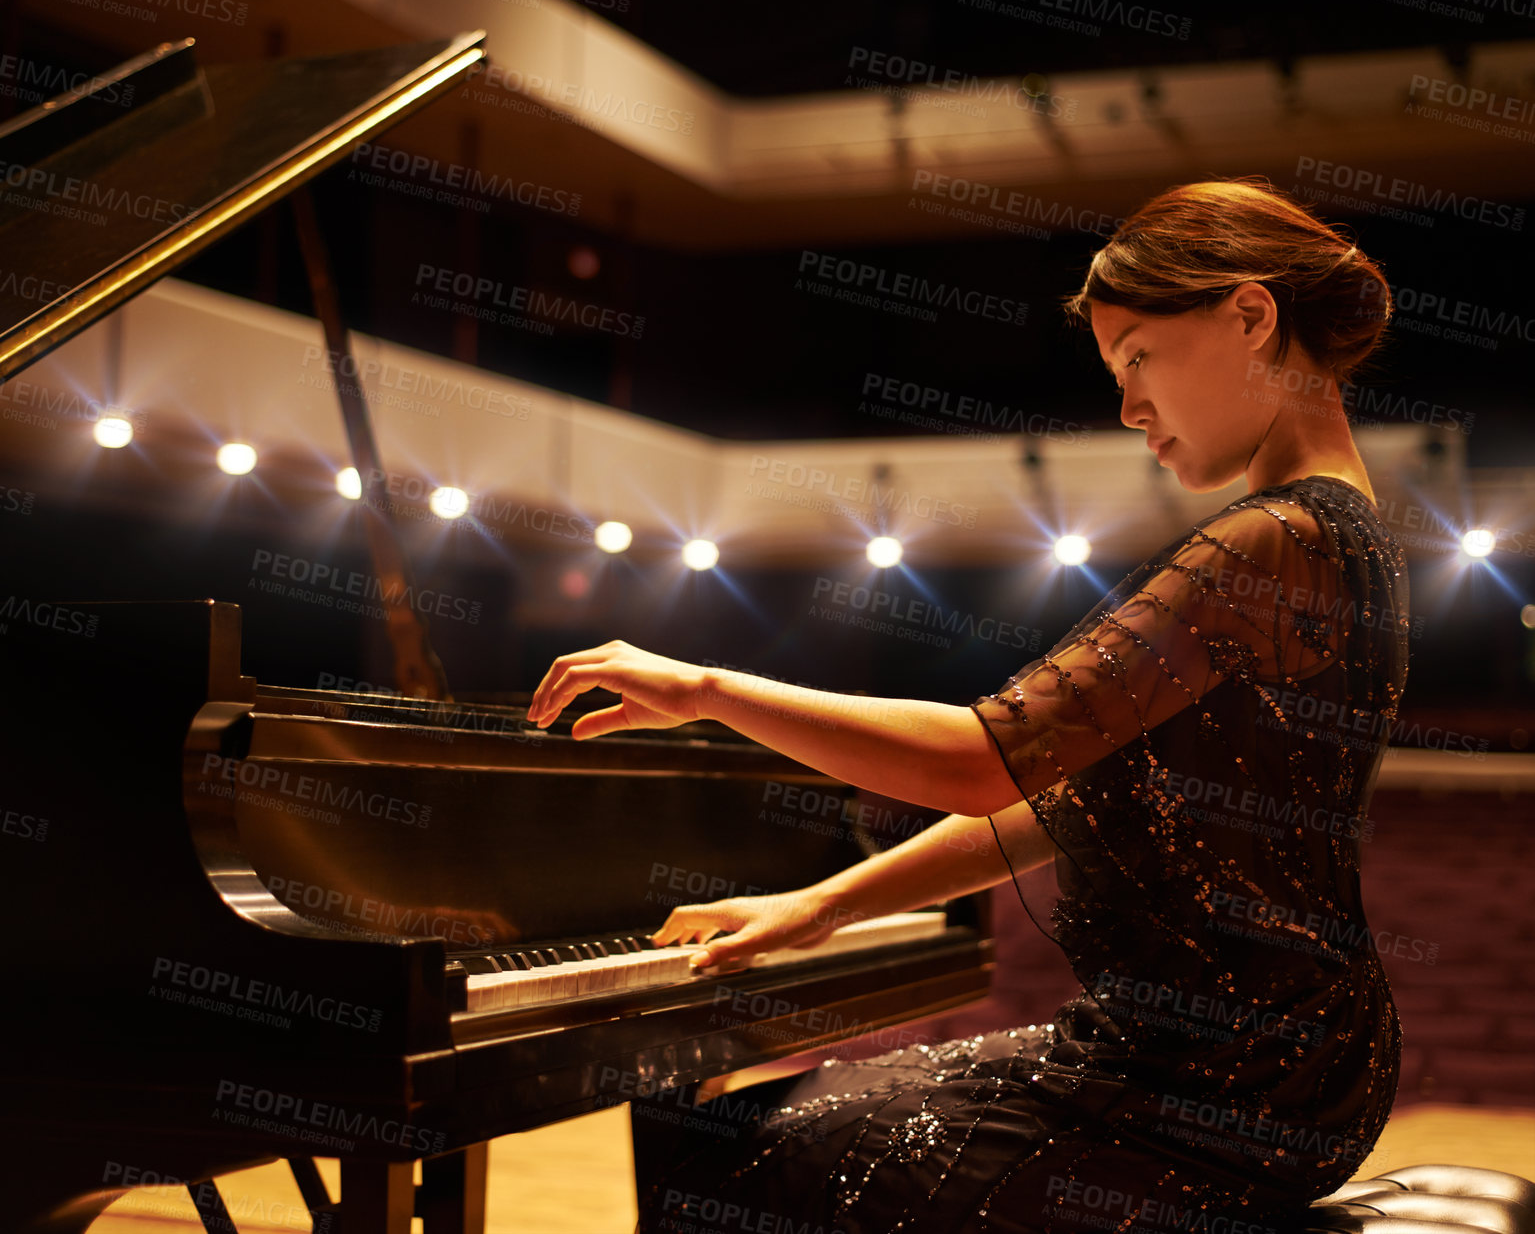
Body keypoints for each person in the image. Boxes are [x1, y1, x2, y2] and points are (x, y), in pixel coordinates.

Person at [528, 178, 1409, 1234]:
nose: (1128, 407)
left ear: (1249, 316)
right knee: (752, 1126)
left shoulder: (1275, 540)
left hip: (1215, 1083)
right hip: (1259, 1060)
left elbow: (990, 756)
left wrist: (707, 687)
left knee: (740, 1155)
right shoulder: (1340, 532)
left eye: (1137, 357)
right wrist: (819, 905)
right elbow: (1055, 797)